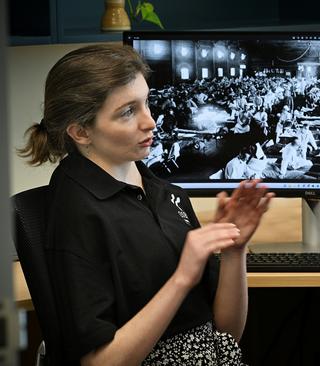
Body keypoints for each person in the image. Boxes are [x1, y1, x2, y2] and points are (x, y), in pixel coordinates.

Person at [17, 44, 274, 365]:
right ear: (81, 131)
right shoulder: (77, 213)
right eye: (128, 111)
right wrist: (183, 276)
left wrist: (235, 251)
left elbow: (225, 335)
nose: (150, 121)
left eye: (146, 103)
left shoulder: (166, 193)